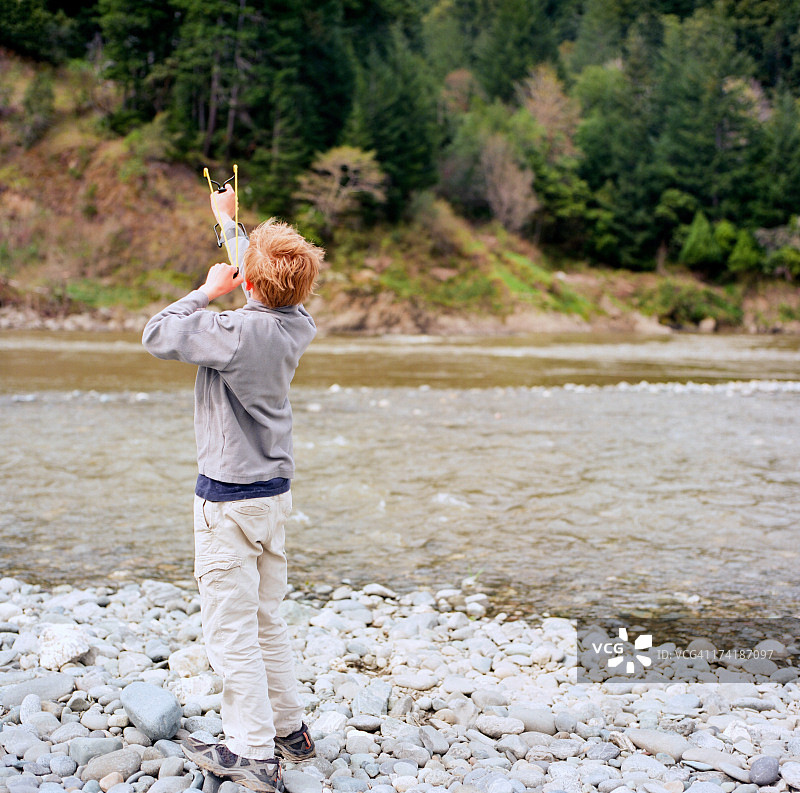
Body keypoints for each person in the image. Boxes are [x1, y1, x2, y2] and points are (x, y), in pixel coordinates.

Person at [142, 184, 323, 793]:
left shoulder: (232, 332)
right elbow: (265, 277)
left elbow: (157, 334)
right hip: (273, 495)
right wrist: (228, 223)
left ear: (245, 286)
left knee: (230, 629)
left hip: (228, 501)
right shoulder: (296, 322)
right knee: (267, 616)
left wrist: (204, 291)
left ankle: (250, 754)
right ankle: (289, 731)